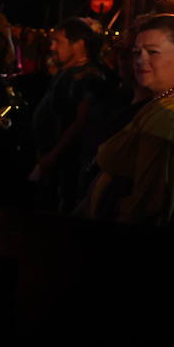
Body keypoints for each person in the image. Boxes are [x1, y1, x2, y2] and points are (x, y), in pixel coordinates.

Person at [79, 14, 174, 226]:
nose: (139, 60)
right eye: (136, 52)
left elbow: (149, 205)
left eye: (152, 52)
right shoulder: (165, 104)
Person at [29, 18, 117, 212]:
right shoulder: (69, 72)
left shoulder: (90, 76)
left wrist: (53, 156)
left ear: (79, 44)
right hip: (52, 161)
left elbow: (81, 121)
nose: (52, 47)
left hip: (68, 166)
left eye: (58, 41)